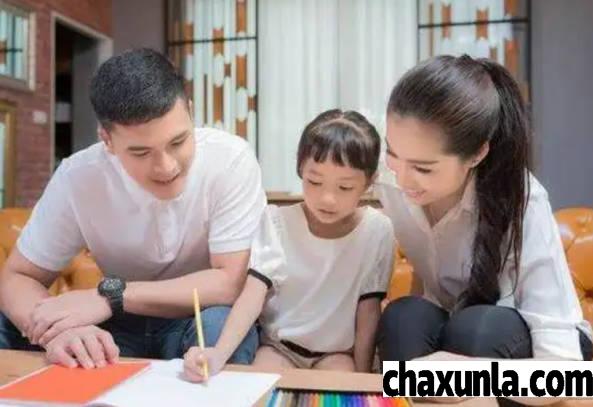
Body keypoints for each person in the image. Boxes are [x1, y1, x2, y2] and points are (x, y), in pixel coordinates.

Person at [0, 48, 266, 368]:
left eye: (178, 142)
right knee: (9, 322)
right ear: (107, 140)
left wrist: (112, 296)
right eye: (141, 153)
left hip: (194, 315)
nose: (166, 167)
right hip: (113, 326)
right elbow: (17, 277)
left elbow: (230, 282)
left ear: (191, 112)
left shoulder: (230, 160)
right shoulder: (79, 177)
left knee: (222, 329)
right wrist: (61, 332)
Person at [184, 109, 394, 381]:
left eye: (344, 187)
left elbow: (368, 313)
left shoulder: (377, 230)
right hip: (279, 348)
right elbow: (252, 295)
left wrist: (364, 378)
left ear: (369, 182)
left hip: (337, 354)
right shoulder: (277, 222)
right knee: (261, 387)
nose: (327, 198)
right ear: (300, 169)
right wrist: (219, 353)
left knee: (343, 389)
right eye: (314, 181)